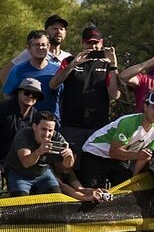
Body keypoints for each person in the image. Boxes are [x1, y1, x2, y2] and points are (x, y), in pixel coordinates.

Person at [49, 26, 121, 158]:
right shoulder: (70, 61)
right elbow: (53, 84)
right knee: (69, 166)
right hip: (71, 125)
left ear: (102, 43)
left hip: (97, 127)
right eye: (89, 43)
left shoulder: (107, 65)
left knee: (92, 169)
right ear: (82, 43)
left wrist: (113, 65)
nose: (93, 47)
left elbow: (114, 94)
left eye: (96, 43)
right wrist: (73, 65)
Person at [79, 92, 154, 188]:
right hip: (95, 153)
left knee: (125, 189)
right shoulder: (129, 123)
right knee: (94, 192)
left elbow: (145, 157)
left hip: (120, 158)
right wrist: (137, 155)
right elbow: (114, 152)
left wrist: (133, 179)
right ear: (145, 107)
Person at [0, 79, 43, 199]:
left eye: (35, 94)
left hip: (22, 163)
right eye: (27, 92)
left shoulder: (37, 117)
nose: (31, 96)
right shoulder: (2, 108)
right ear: (18, 93)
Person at [4, 110, 73, 197]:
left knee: (56, 198)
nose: (47, 134)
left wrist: (69, 157)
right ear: (34, 127)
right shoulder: (23, 135)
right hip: (19, 173)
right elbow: (26, 163)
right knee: (20, 203)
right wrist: (39, 151)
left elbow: (66, 167)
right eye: (43, 129)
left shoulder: (57, 137)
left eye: (50, 130)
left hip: (43, 173)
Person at [1, 31, 63, 120]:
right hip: (25, 124)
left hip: (51, 126)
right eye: (36, 45)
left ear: (48, 46)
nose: (41, 48)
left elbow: (63, 98)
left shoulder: (58, 70)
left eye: (44, 45)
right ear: (29, 48)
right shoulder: (18, 70)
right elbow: (7, 95)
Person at [0, 15, 72, 84]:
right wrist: (13, 96)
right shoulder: (33, 52)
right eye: (54, 29)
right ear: (46, 31)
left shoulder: (68, 57)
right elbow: (5, 72)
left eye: (61, 29)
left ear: (65, 33)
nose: (58, 31)